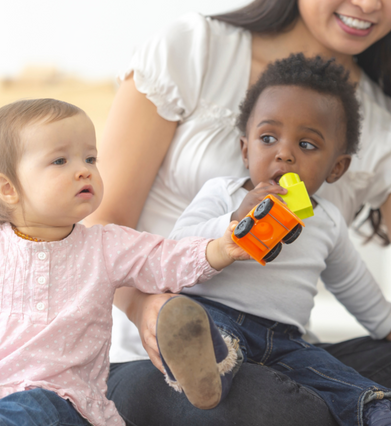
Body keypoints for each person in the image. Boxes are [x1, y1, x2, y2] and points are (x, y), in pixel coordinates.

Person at [86, 0, 391, 424]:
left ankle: (355, 408)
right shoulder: (195, 50)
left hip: (283, 352)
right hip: (157, 359)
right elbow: (102, 229)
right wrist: (149, 308)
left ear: (338, 165)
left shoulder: (389, 128)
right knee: (255, 396)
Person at [160, 53, 391, 425]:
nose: (284, 153)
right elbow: (174, 248)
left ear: (337, 167)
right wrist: (235, 219)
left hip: (285, 341)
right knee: (204, 334)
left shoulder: (327, 221)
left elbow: (352, 282)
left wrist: (390, 324)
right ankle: (206, 373)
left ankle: (388, 415)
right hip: (216, 318)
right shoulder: (223, 193)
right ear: (245, 149)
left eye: (307, 145)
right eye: (268, 138)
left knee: (339, 380)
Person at [0, 99, 249, 426]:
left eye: (90, 158)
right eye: (60, 160)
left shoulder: (104, 246)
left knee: (32, 408)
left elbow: (163, 259)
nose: (84, 169)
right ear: (8, 189)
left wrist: (220, 249)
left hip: (66, 403)